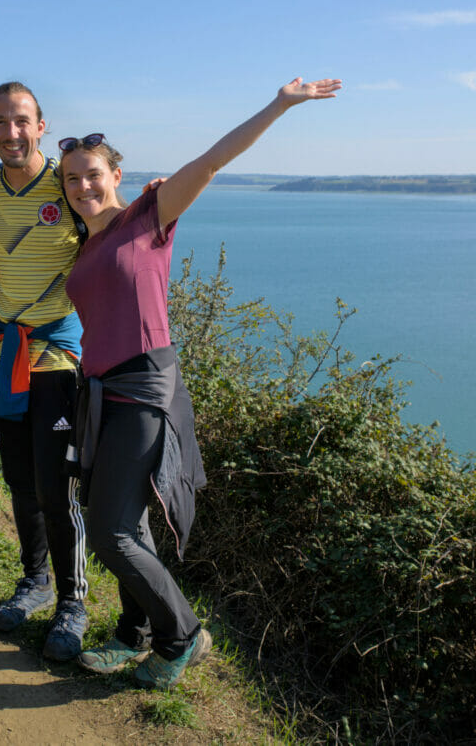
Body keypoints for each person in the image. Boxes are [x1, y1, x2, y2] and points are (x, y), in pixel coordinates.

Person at [61, 76, 341, 688]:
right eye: (72, 179)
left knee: (110, 531)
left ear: (116, 175)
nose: (83, 186)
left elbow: (213, 160)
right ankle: (134, 635)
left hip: (143, 387)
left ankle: (184, 634)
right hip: (101, 392)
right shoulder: (81, 247)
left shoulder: (149, 216)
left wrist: (280, 105)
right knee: (124, 525)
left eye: (92, 174)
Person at [0, 82, 89, 661]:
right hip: (5, 352)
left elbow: (112, 224)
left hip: (58, 354)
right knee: (19, 478)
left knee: (56, 482)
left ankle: (73, 601)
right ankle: (35, 581)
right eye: (0, 122)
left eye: (21, 121)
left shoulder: (66, 183)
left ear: (41, 125)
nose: (11, 133)